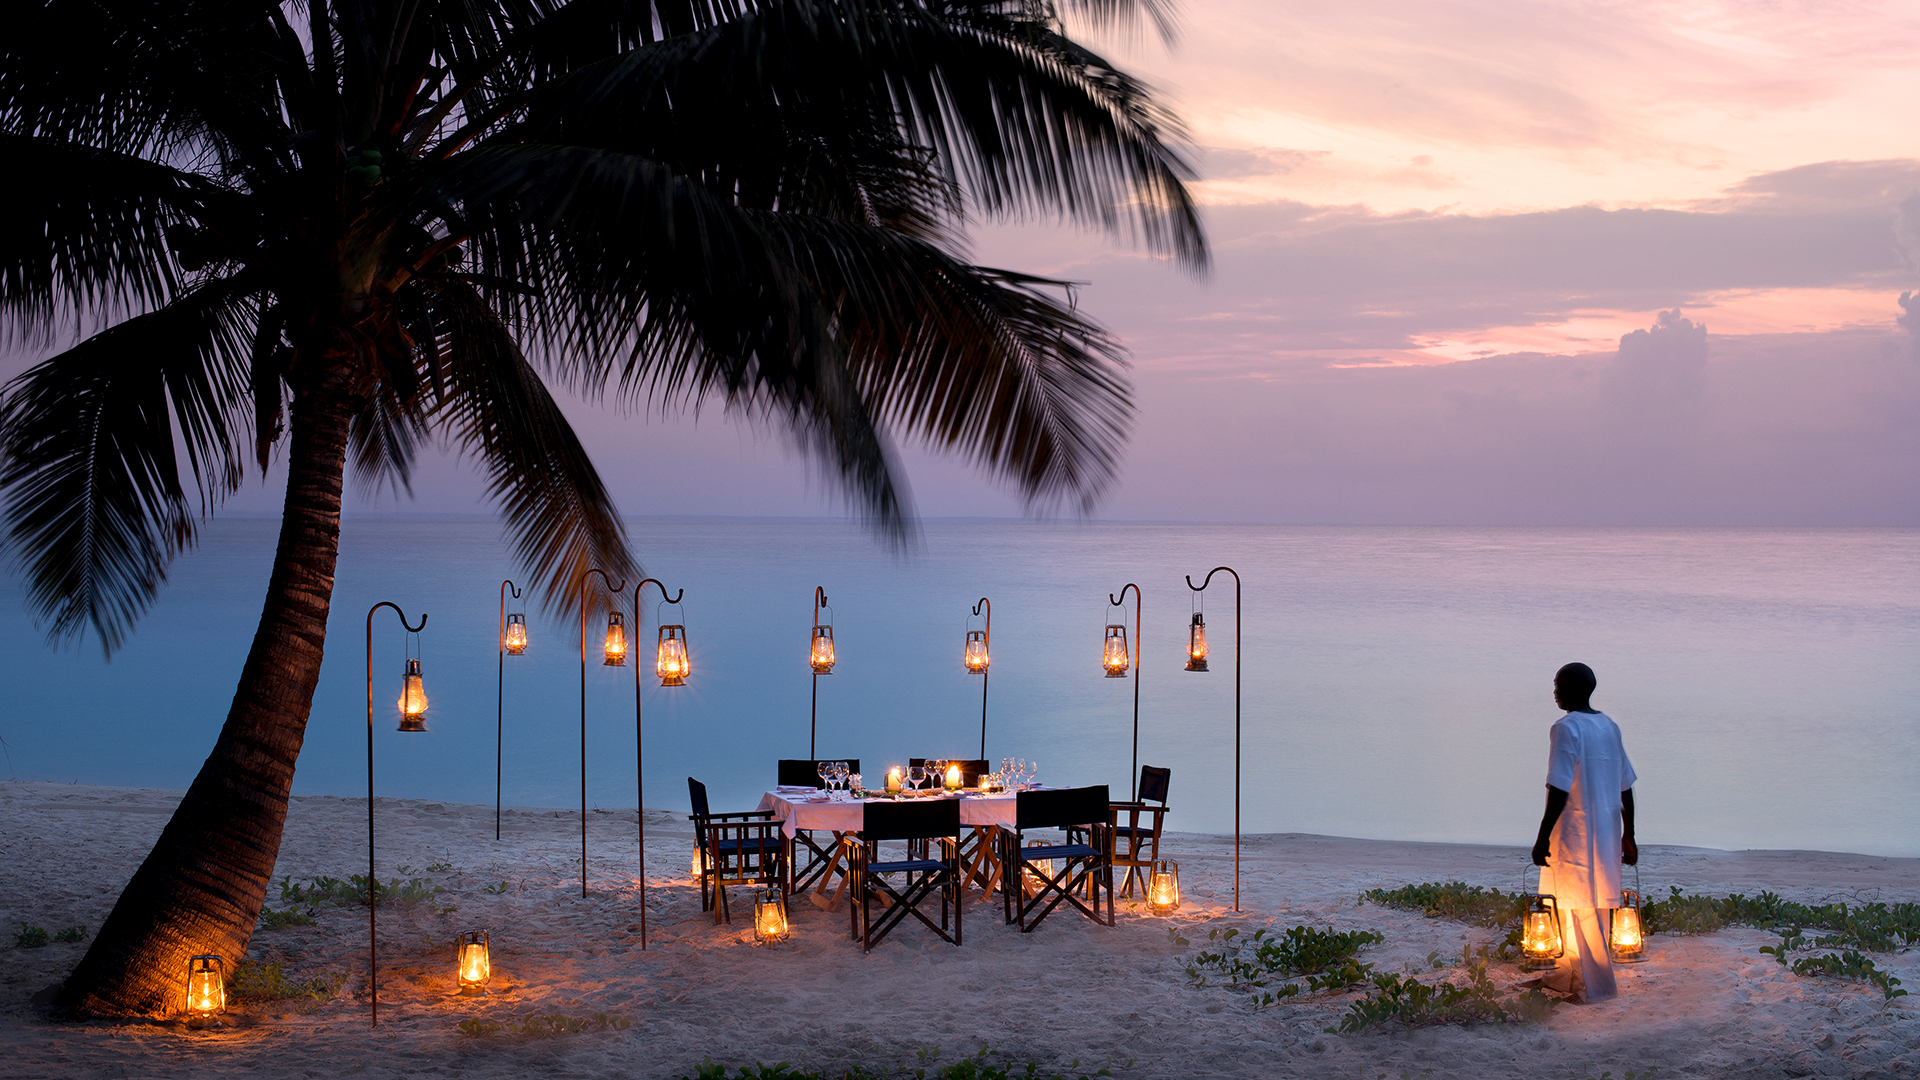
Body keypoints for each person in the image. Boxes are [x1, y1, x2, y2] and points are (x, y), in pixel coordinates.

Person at [1530, 662, 1638, 1003]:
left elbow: (1558, 787)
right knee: (1583, 900)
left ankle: (1599, 988)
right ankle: (1569, 976)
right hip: (1605, 829)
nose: (1554, 691)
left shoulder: (1565, 728)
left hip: (1576, 831)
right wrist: (1628, 833)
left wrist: (1542, 835)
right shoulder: (1609, 725)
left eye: (1558, 685)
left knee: (1580, 902)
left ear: (1575, 689)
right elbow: (1626, 786)